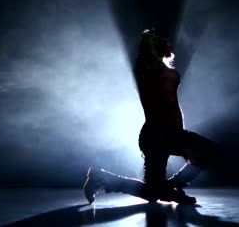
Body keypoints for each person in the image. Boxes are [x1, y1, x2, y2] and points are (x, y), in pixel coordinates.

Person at [83, 28, 218, 205]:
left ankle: (169, 187)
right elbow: (162, 107)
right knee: (154, 194)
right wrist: (181, 142)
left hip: (171, 133)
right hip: (156, 136)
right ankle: (104, 178)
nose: (171, 45)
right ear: (157, 46)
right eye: (166, 42)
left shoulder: (160, 70)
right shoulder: (148, 72)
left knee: (209, 153)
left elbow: (172, 105)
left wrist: (181, 137)